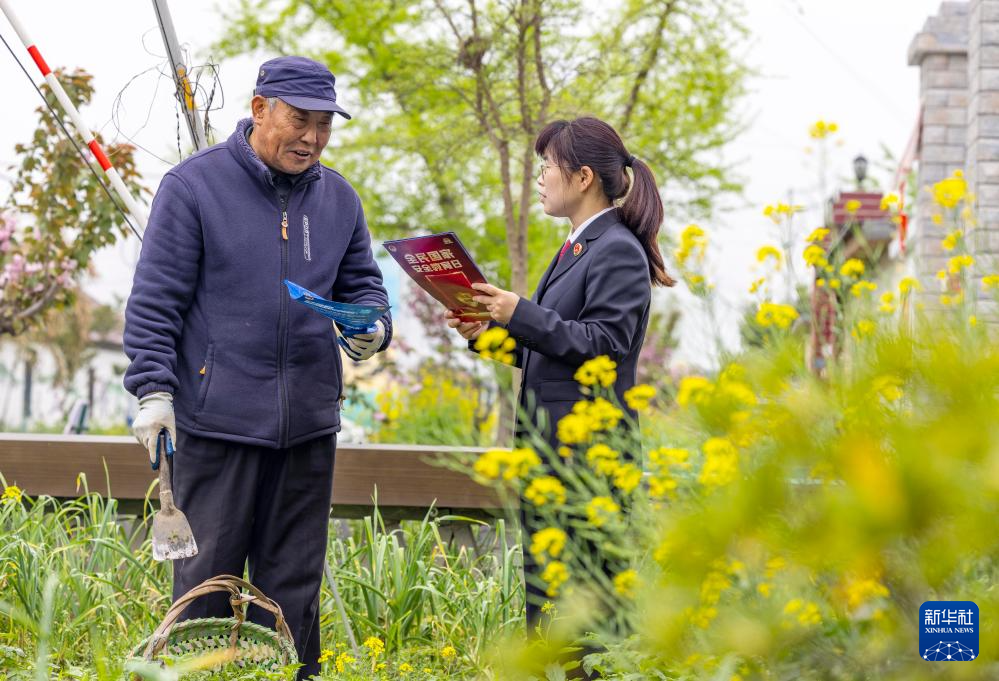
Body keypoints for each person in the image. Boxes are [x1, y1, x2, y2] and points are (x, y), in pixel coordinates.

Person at [123, 56, 391, 679]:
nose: (313, 138)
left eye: (325, 124)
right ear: (259, 107)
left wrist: (371, 330)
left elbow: (365, 290)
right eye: (300, 119)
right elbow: (156, 299)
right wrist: (153, 390)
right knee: (206, 590)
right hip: (217, 424)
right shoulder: (193, 188)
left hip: (308, 429)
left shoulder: (340, 200)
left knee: (293, 594)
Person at [446, 116, 674, 628]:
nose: (542, 178)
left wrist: (518, 311)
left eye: (548, 166)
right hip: (551, 459)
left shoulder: (617, 249)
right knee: (548, 610)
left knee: (586, 617)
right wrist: (483, 334)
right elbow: (553, 355)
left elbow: (603, 346)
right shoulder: (577, 245)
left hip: (587, 465)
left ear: (584, 176)